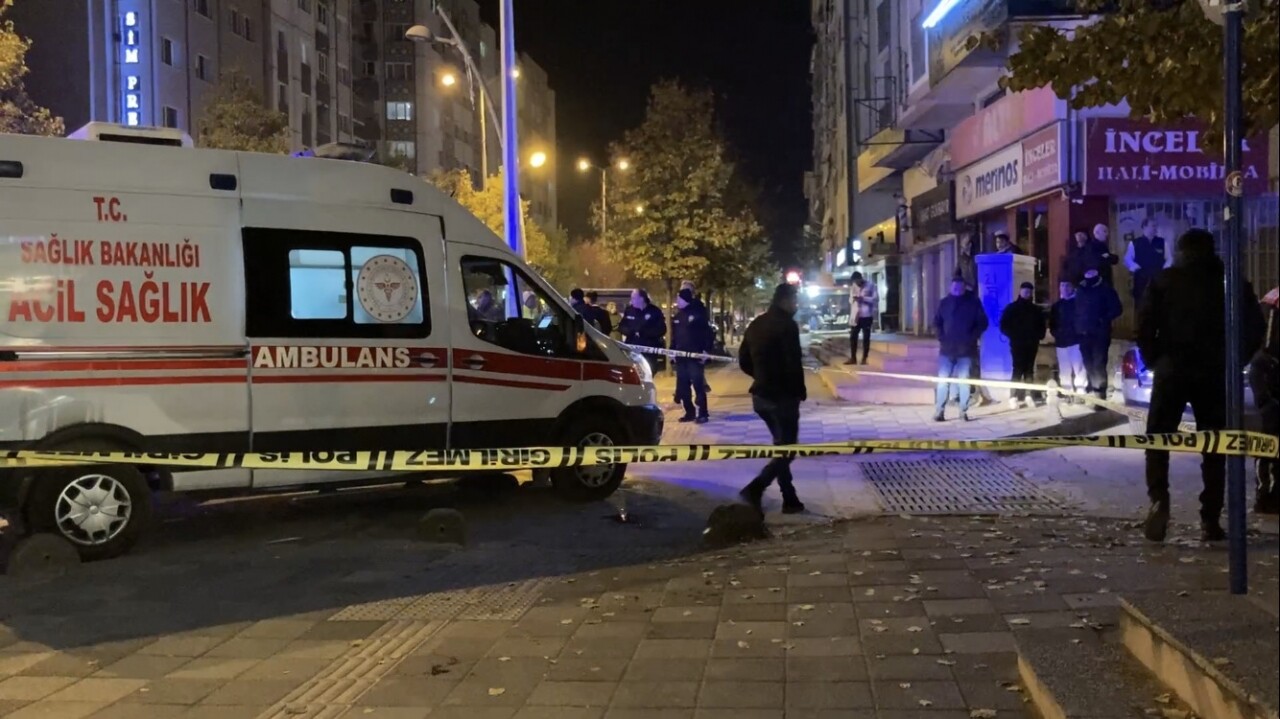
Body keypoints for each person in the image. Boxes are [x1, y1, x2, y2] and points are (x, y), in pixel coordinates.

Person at [1137, 228, 1265, 542]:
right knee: (1215, 446)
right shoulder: (1231, 282)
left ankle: (1159, 499)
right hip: (1214, 372)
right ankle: (1210, 518)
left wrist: (1156, 360)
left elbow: (1144, 326)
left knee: (1158, 439)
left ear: (1181, 250)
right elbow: (1255, 327)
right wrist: (1234, 360)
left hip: (1172, 370)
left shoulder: (1164, 281)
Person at [738, 283, 808, 515]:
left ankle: (790, 498)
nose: (796, 305)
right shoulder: (787, 326)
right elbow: (793, 363)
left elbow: (743, 359)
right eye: (795, 300)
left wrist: (760, 376)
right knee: (788, 449)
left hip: (761, 397)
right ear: (785, 300)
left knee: (782, 448)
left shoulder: (756, 324)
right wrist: (799, 391)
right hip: (783, 397)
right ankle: (756, 488)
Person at [933, 277, 988, 422]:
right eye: (955, 288)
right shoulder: (944, 303)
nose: (957, 290)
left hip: (966, 350)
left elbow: (983, 323)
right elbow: (937, 322)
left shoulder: (973, 303)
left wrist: (972, 337)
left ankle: (963, 411)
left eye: (960, 288)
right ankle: (939, 411)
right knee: (943, 381)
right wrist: (941, 337)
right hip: (947, 349)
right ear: (950, 288)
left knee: (964, 381)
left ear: (964, 288)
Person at [1249, 287, 1279, 515]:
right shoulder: (1274, 304)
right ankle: (1267, 494)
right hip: (1270, 375)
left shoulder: (1270, 300)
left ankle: (1268, 493)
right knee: (1270, 438)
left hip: (1267, 373)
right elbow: (1267, 346)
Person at [1074, 268, 1122, 406]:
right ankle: (1095, 391)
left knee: (1099, 364)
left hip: (1100, 333)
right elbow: (1076, 310)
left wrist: (1102, 319)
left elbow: (1117, 309)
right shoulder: (1080, 289)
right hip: (1084, 333)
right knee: (1088, 364)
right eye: (1087, 271)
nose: (1089, 273)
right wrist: (1077, 326)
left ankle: (1100, 396)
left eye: (1092, 271)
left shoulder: (1106, 289)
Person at [1000, 281, 1047, 408]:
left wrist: (1039, 336)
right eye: (1025, 291)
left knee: (1029, 370)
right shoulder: (1012, 308)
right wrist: (1014, 335)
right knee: (1017, 369)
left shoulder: (1036, 310)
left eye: (1029, 291)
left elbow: (1041, 326)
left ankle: (1028, 395)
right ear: (1020, 291)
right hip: (1017, 344)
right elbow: (1004, 325)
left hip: (1032, 343)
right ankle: (1013, 396)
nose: (1027, 293)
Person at [672, 287, 713, 423]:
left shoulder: (698, 314)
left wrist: (706, 350)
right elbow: (674, 336)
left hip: (695, 357)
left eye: (679, 299)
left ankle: (703, 413)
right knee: (683, 386)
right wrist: (672, 351)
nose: (677, 301)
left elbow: (708, 333)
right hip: (681, 357)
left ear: (685, 300)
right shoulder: (678, 316)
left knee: (698, 385)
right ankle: (689, 412)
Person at [1049, 280, 1087, 403]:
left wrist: (1079, 333)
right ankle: (1067, 392)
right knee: (1064, 369)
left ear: (1072, 288)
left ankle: (1080, 392)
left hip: (1076, 341)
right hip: (1061, 342)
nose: (1064, 288)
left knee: (1079, 367)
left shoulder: (1078, 303)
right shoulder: (1057, 306)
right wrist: (1056, 333)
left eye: (1067, 285)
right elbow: (1052, 323)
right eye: (1062, 285)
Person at [1124, 217, 1172, 305]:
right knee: (1141, 305)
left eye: (1156, 226)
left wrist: (1164, 270)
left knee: (1159, 305)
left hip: (1158, 279)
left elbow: (1169, 259)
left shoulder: (1162, 242)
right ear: (1144, 227)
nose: (1155, 228)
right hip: (1141, 280)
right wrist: (1136, 268)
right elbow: (1128, 259)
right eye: (1153, 226)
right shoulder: (1135, 243)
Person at [618, 288, 667, 370]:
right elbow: (622, 326)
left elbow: (661, 329)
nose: (631, 300)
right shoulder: (629, 310)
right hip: (632, 349)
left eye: (634, 298)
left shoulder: (655, 311)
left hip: (649, 350)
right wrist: (631, 331)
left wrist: (644, 333)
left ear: (641, 299)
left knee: (648, 372)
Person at [845, 272, 877, 365]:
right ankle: (853, 358)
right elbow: (850, 300)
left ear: (861, 278)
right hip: (856, 316)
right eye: (854, 281)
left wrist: (863, 299)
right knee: (853, 337)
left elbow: (875, 299)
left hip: (867, 315)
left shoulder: (871, 286)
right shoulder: (853, 287)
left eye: (857, 281)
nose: (856, 283)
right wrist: (853, 299)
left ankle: (864, 358)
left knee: (866, 337)